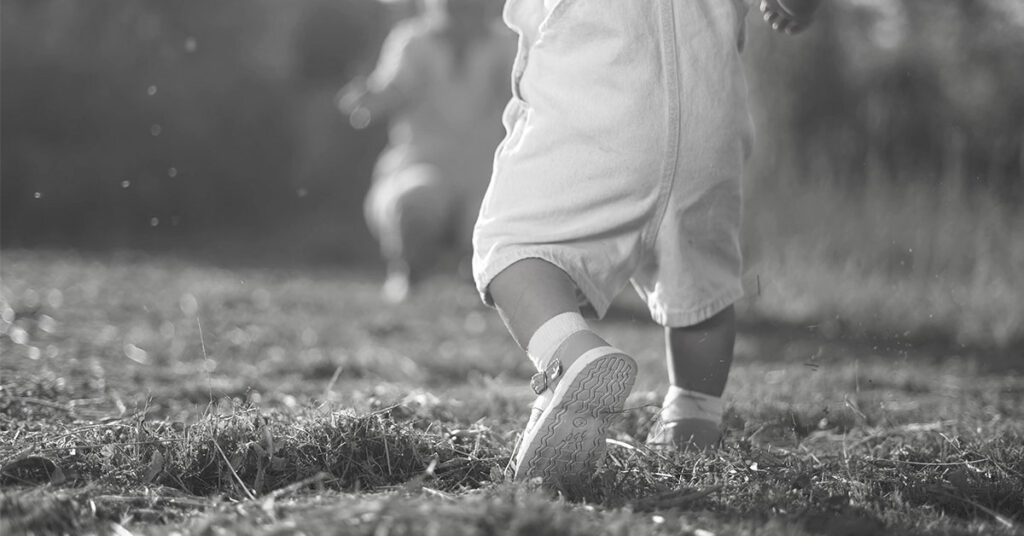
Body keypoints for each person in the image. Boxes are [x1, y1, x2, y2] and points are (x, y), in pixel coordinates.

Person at [471, 0, 823, 485]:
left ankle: (568, 355)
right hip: (708, 117)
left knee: (509, 244)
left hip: (599, 91)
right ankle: (694, 417)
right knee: (700, 286)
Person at [337, 0, 513, 303]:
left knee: (496, 220)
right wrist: (369, 99)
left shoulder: (506, 44)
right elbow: (392, 90)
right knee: (414, 200)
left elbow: (523, 102)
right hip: (422, 164)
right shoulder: (412, 41)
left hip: (485, 176)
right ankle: (408, 273)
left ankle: (480, 283)